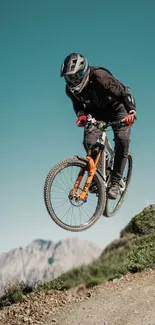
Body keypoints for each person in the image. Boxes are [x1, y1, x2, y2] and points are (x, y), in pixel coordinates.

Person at [60, 53, 136, 199]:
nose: (73, 82)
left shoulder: (101, 77)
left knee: (122, 139)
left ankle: (116, 181)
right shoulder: (69, 89)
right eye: (69, 78)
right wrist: (81, 115)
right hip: (96, 112)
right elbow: (77, 104)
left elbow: (124, 92)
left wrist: (131, 111)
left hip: (117, 109)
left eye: (75, 77)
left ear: (84, 72)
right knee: (89, 142)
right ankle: (99, 175)